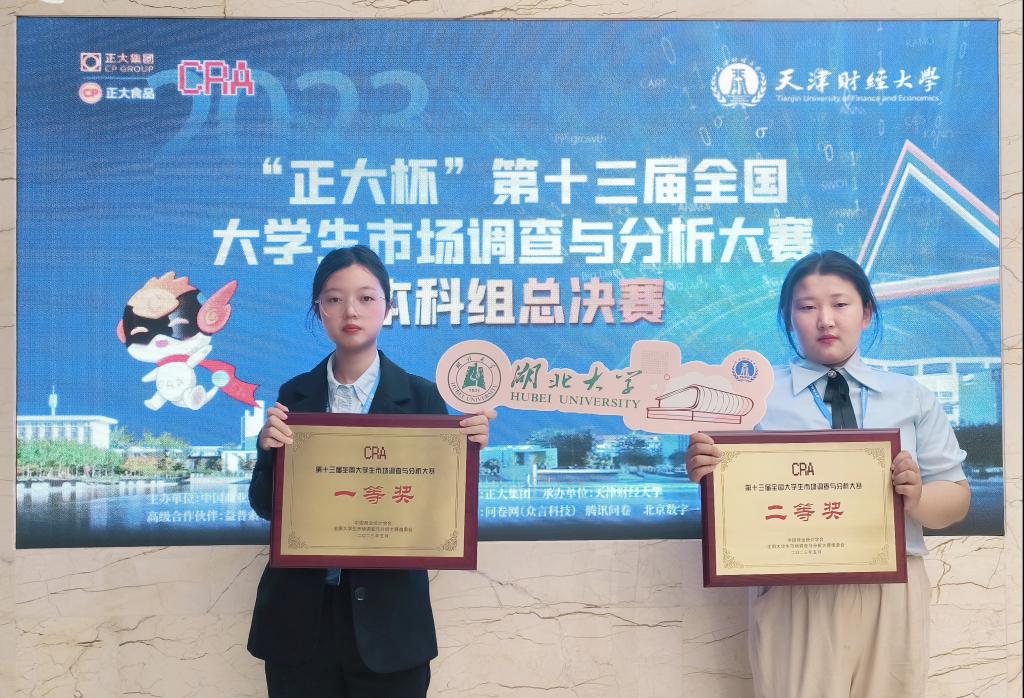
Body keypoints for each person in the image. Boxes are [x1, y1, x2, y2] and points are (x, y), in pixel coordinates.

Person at [686, 250, 970, 698]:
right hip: (793, 587)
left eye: (840, 304)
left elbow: (955, 500)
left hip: (892, 586)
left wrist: (916, 497)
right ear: (788, 317)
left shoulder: (911, 396)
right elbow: (730, 495)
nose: (825, 320)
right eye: (807, 307)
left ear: (866, 313)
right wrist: (704, 469)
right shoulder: (752, 398)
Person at [247, 245, 495, 697]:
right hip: (301, 621)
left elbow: (439, 515)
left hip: (390, 625)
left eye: (366, 298)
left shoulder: (422, 398)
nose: (350, 311)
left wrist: (466, 455)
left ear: (388, 307)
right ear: (318, 309)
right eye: (334, 299)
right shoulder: (294, 394)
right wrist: (268, 451)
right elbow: (266, 507)